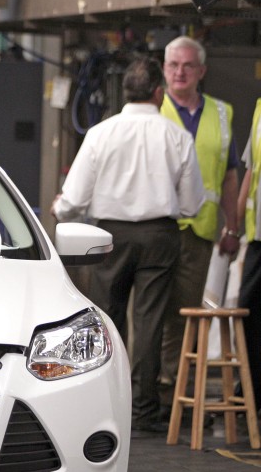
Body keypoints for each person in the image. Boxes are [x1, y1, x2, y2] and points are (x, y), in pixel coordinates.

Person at [52, 55, 204, 433]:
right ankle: (143, 411)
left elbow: (73, 201)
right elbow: (191, 204)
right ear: (158, 92)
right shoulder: (178, 136)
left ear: (126, 91)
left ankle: (103, 404)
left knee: (106, 318)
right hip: (160, 236)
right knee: (149, 321)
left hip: (109, 238)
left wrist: (58, 209)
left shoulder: (101, 133)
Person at [158, 36, 240, 389]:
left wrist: (232, 228)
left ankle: (174, 391)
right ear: (163, 69)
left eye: (188, 65)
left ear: (201, 71)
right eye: (174, 65)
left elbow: (231, 174)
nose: (180, 72)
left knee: (185, 314)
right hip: (159, 227)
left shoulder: (222, 113)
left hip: (200, 231)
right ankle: (146, 390)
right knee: (151, 313)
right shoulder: (151, 108)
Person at [237, 99, 261, 411]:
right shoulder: (259, 107)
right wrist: (233, 226)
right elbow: (251, 171)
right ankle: (252, 397)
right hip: (258, 237)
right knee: (248, 315)